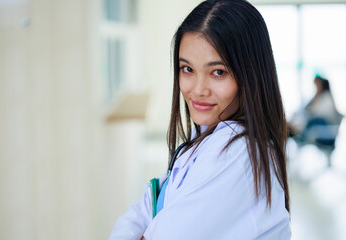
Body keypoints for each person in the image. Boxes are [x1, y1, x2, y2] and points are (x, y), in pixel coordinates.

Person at [110, 0, 291, 239]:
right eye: (187, 69)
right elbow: (141, 211)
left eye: (218, 72)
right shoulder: (206, 136)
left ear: (251, 74)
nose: (198, 90)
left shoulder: (237, 152)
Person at [288, 76, 343, 143]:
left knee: (306, 118)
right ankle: (292, 129)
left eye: (317, 85)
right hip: (314, 121)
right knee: (298, 114)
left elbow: (318, 113)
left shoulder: (326, 97)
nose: (316, 88)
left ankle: (294, 130)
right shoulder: (317, 97)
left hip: (322, 123)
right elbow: (306, 109)